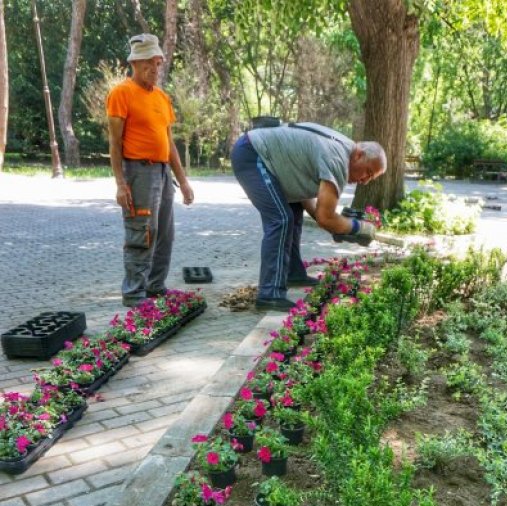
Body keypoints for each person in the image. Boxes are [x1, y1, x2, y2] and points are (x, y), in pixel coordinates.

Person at [231, 122, 386, 310]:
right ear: (359, 155)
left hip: (264, 157)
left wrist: (336, 227)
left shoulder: (343, 148)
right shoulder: (338, 159)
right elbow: (325, 217)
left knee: (293, 212)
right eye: (368, 172)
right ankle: (269, 294)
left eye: (371, 178)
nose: (365, 181)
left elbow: (311, 204)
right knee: (281, 219)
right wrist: (358, 228)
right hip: (253, 155)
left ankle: (292, 273)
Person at [106, 34, 194, 306]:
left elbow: (169, 143)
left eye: (158, 63)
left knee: (165, 232)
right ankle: (134, 293)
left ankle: (155, 286)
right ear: (135, 62)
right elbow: (115, 141)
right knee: (142, 231)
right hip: (138, 171)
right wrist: (121, 183)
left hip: (162, 172)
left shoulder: (162, 98)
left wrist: (184, 181)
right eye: (150, 64)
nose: (155, 69)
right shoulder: (121, 93)